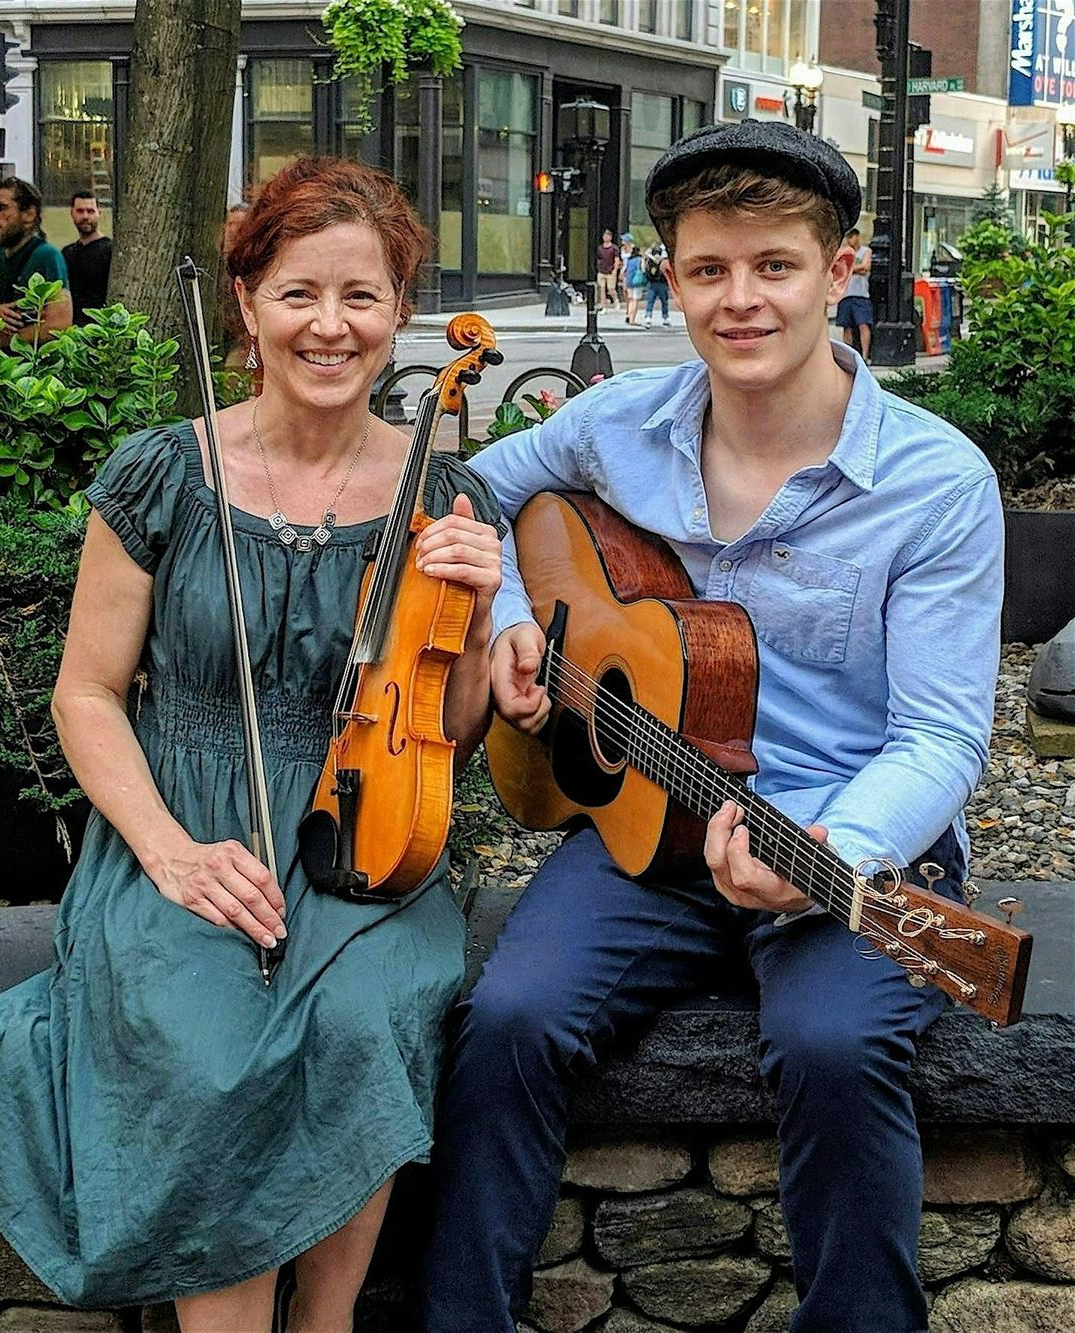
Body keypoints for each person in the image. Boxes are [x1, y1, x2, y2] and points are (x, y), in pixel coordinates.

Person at [0, 156, 503, 1333]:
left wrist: (471, 627)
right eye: (299, 294)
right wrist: (171, 853)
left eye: (362, 297)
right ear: (247, 303)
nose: (330, 326)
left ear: (399, 314)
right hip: (171, 813)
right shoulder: (165, 473)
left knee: (362, 1014)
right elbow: (85, 695)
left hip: (359, 834)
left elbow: (451, 735)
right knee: (201, 1035)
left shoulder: (444, 496)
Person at [421, 118, 1002, 1333]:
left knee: (835, 1046)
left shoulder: (937, 484)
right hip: (646, 831)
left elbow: (943, 736)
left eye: (775, 266)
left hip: (841, 840)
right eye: (708, 270)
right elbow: (475, 485)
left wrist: (835, 854)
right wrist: (518, 616)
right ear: (670, 274)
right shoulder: (617, 422)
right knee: (505, 1020)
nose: (741, 301)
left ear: (841, 272)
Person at [0, 176, 72, 347]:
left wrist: (3, 341)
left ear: (29, 214)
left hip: (28, 367)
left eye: (2, 208)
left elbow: (59, 323)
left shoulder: (46, 256)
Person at [62, 191, 113, 325]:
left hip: (100, 329)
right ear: (71, 213)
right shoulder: (67, 253)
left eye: (90, 211)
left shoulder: (110, 251)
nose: (85, 216)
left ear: (99, 213)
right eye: (80, 211)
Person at [836, 226, 873, 360]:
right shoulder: (844, 252)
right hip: (845, 293)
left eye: (851, 237)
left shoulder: (866, 251)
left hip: (861, 294)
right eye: (847, 237)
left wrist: (849, 269)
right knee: (846, 326)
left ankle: (864, 356)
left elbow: (866, 267)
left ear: (857, 237)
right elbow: (840, 268)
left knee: (863, 324)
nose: (849, 240)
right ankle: (848, 356)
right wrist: (857, 269)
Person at [642, 239, 670, 327]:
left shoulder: (660, 261)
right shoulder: (655, 261)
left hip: (659, 283)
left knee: (662, 301)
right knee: (652, 301)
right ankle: (650, 316)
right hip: (655, 283)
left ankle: (664, 317)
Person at [622, 234, 647, 325]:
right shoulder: (639, 260)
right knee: (635, 301)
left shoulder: (629, 260)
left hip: (629, 281)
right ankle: (632, 319)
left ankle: (628, 315)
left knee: (630, 299)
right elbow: (643, 269)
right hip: (637, 281)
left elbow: (624, 270)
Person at [594, 228, 620, 309]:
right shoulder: (600, 248)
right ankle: (603, 305)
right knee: (601, 289)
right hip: (602, 271)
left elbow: (616, 260)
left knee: (611, 288)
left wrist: (615, 269)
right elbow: (598, 258)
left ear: (610, 237)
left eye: (607, 236)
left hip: (610, 271)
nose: (605, 237)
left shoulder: (614, 248)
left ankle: (615, 300)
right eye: (604, 235)